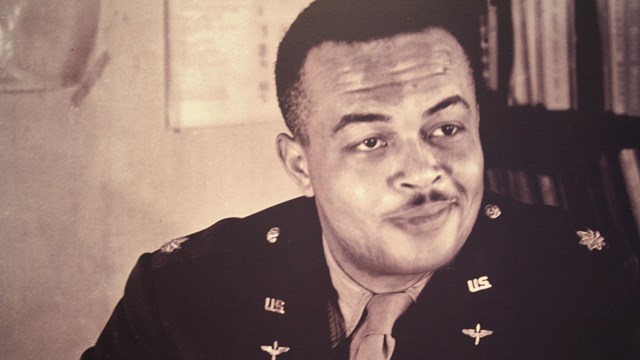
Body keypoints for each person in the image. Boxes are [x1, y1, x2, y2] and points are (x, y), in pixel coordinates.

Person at [82, 0, 640, 359]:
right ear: (301, 164)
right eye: (371, 141)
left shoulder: (590, 287)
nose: (424, 171)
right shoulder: (181, 295)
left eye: (446, 127)